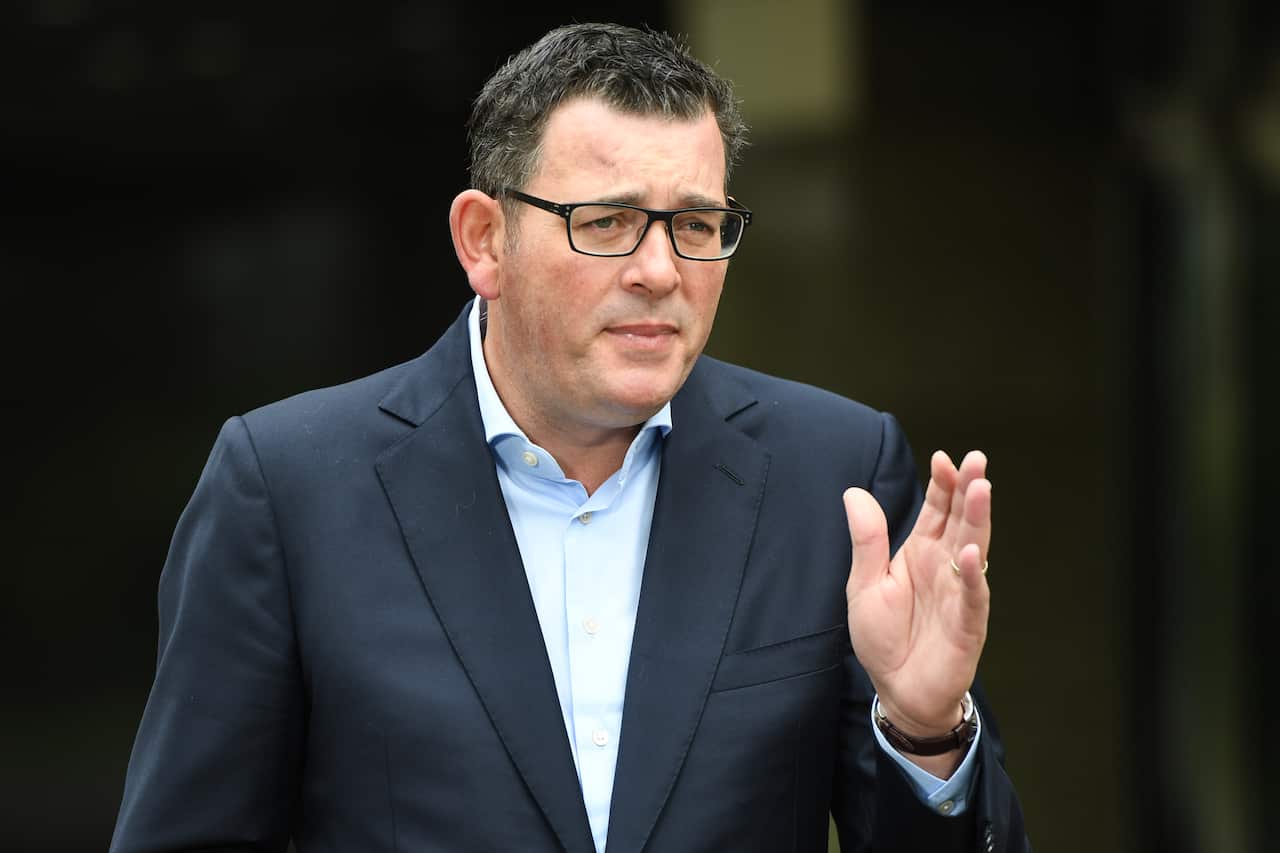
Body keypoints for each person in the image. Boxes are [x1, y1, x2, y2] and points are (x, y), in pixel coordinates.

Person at [112, 22, 1029, 853]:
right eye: (609, 223)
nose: (661, 271)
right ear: (484, 241)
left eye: (697, 225)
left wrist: (921, 729)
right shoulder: (288, 486)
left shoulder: (835, 476)